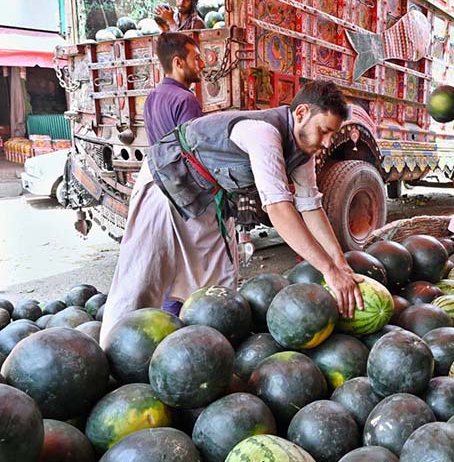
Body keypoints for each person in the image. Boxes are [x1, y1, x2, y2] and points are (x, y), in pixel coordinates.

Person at [99, 80, 362, 345]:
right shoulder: (263, 133)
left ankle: (206, 353)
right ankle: (110, 354)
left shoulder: (304, 151)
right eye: (324, 131)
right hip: (167, 183)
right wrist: (328, 270)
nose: (328, 142)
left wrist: (339, 263)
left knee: (218, 290)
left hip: (207, 197)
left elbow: (311, 206)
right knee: (142, 279)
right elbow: (278, 209)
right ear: (302, 113)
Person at [143, 32, 205, 314]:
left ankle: (168, 321)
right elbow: (194, 155)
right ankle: (185, 325)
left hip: (162, 189)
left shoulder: (153, 97)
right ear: (178, 62)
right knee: (194, 262)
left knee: (173, 261)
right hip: (185, 193)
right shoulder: (186, 100)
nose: (201, 64)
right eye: (196, 58)